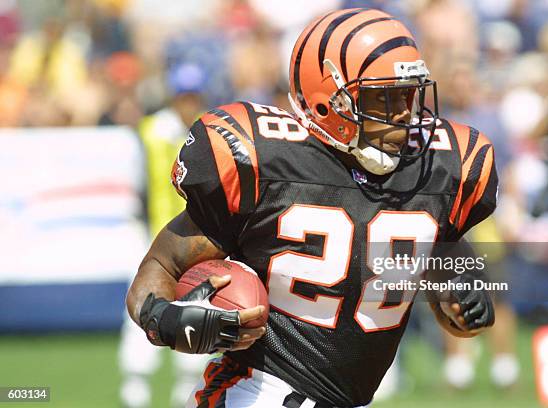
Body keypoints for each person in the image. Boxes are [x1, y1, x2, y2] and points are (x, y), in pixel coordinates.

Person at [126, 8, 497, 407]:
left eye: (408, 94)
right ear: (329, 100)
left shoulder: (435, 169)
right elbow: (162, 267)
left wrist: (464, 287)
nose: (405, 114)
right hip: (259, 394)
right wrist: (167, 319)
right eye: (384, 98)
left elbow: (440, 243)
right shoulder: (265, 161)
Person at [119, 62, 211, 408]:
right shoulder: (151, 130)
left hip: (196, 239)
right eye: (184, 96)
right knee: (144, 302)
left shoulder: (205, 128)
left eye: (194, 95)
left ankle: (186, 384)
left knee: (197, 304)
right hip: (154, 233)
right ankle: (136, 382)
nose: (189, 102)